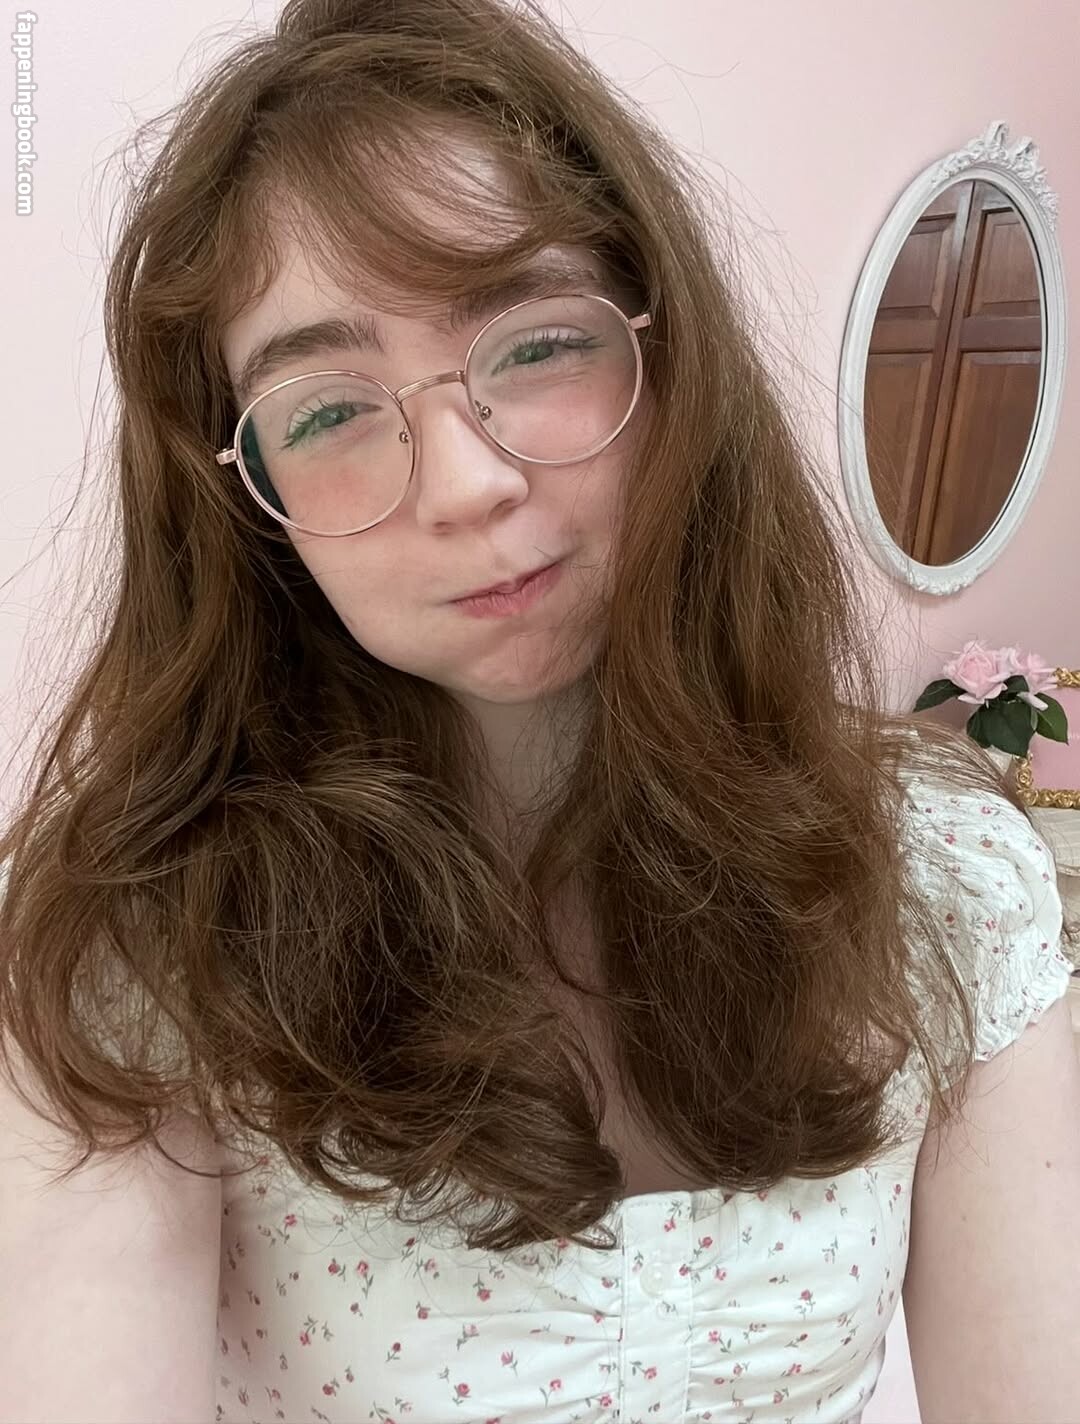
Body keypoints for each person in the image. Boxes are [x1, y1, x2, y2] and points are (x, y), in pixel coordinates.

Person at [2, 0, 1079, 1420]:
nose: (466, 482)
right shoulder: (138, 945)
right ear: (248, 505)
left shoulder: (945, 877)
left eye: (535, 344)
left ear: (666, 354)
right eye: (326, 411)